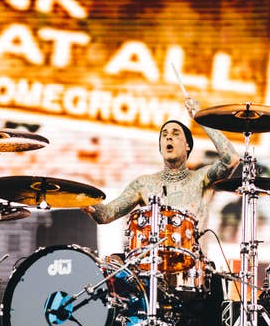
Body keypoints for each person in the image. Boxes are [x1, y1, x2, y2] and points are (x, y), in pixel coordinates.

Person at [82, 97, 240, 252]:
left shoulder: (202, 177)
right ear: (160, 148)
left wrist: (201, 119)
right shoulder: (144, 183)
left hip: (196, 271)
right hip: (153, 269)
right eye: (164, 135)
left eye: (175, 133)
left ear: (187, 146)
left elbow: (231, 159)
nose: (168, 136)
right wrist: (79, 197)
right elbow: (105, 215)